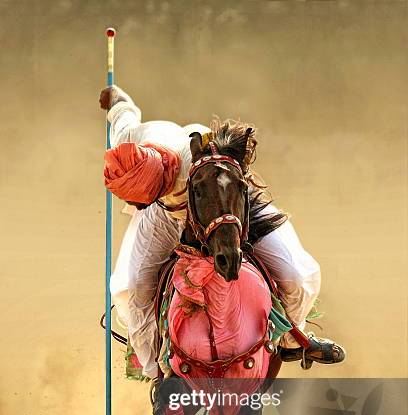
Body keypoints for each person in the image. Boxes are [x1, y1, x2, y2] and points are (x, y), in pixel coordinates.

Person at [99, 85, 345, 385]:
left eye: (154, 188)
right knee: (133, 287)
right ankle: (158, 375)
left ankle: (292, 339)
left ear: (167, 170)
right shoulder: (131, 145)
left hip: (227, 201)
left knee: (295, 273)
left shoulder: (199, 162)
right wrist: (115, 100)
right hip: (163, 215)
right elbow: (124, 114)